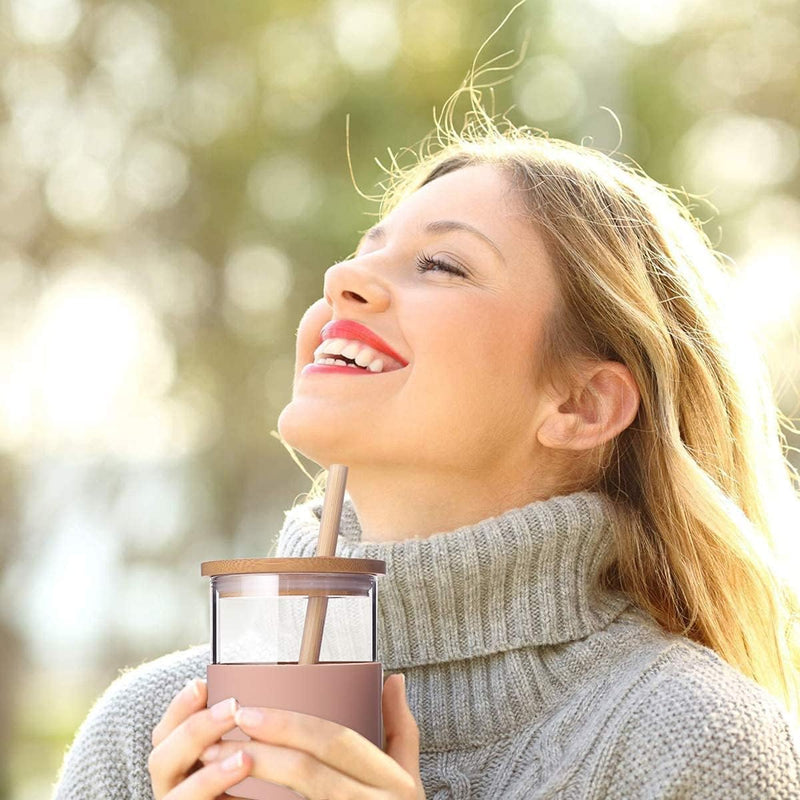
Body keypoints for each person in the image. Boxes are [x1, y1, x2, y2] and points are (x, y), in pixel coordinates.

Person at [53, 90, 800, 799]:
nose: (345, 277)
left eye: (441, 265)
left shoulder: (699, 745)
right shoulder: (148, 733)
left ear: (581, 403)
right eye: (363, 252)